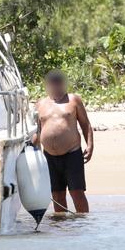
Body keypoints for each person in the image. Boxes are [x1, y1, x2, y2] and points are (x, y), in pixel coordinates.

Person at [32, 70, 94, 213]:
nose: (56, 86)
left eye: (59, 82)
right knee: (57, 194)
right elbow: (36, 130)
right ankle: (61, 227)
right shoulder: (40, 104)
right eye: (53, 83)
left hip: (72, 153)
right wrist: (32, 152)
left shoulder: (73, 100)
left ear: (63, 83)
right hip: (49, 156)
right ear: (47, 85)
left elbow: (86, 124)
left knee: (76, 192)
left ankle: (83, 223)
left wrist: (90, 146)